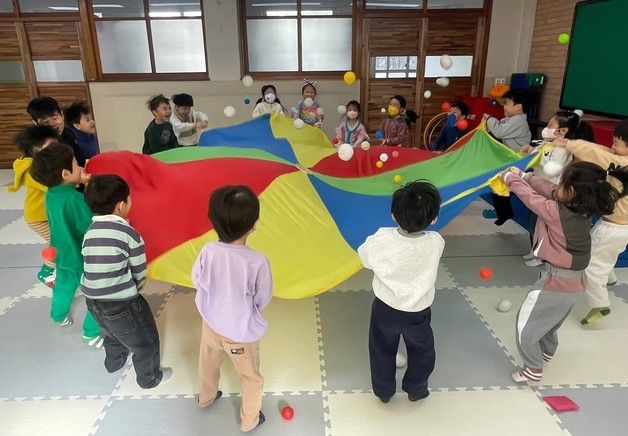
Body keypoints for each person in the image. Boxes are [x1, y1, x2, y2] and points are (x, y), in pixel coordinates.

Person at [500, 162, 628, 383]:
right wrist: (525, 175)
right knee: (550, 320)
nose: (556, 186)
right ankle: (548, 350)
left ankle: (532, 367)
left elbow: (532, 199)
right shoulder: (582, 206)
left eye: (562, 183)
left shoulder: (556, 212)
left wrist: (511, 179)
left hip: (556, 282)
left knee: (525, 324)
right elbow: (548, 189)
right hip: (576, 283)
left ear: (571, 191)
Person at [193, 185, 272, 432]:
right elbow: (263, 297)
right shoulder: (257, 261)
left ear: (213, 221)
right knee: (250, 377)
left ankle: (205, 397)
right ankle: (249, 420)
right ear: (254, 225)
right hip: (239, 333)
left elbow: (197, 279)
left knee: (207, 362)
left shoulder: (207, 250)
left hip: (211, 323)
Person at [81, 175, 172, 388]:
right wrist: (136, 288)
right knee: (146, 342)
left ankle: (113, 363)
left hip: (92, 301)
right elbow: (139, 270)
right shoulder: (129, 234)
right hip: (122, 303)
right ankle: (150, 378)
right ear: (121, 205)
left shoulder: (90, 232)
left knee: (112, 332)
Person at [357, 180, 444, 403]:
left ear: (393, 215)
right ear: (434, 219)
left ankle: (384, 392)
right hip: (418, 312)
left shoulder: (382, 238)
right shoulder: (436, 242)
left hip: (385, 309)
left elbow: (365, 258)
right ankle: (416, 388)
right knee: (423, 351)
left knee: (380, 350)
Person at [553, 118, 628, 324]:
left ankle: (599, 304)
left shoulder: (620, 165)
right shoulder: (622, 158)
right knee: (608, 254)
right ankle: (610, 278)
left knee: (592, 264)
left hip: (612, 227)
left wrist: (567, 144)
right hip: (623, 228)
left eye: (617, 142)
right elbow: (603, 149)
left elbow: (596, 154)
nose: (612, 146)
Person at [30, 143, 101, 346]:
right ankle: (91, 331)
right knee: (95, 294)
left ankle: (58, 315)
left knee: (63, 286)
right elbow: (91, 223)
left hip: (58, 253)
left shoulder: (51, 194)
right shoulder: (74, 199)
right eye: (77, 165)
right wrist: (89, 190)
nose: (80, 168)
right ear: (65, 174)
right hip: (79, 256)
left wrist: (80, 184)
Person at [521, 110, 594, 267]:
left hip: (550, 193)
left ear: (563, 131)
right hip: (539, 188)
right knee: (533, 223)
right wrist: (529, 151)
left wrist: (539, 159)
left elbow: (552, 167)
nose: (546, 128)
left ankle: (541, 256)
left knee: (542, 226)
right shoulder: (547, 144)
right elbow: (538, 156)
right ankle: (535, 250)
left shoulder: (562, 150)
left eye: (550, 125)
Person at [7, 125, 57, 286]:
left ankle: (59, 265)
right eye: (51, 147)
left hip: (49, 214)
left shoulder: (45, 163)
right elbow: (51, 187)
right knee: (60, 243)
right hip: (38, 218)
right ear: (35, 150)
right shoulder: (32, 171)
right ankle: (46, 272)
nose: (56, 151)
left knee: (62, 241)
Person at [482, 90, 532, 225]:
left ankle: (504, 213)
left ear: (518, 107)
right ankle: (503, 213)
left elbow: (499, 131)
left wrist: (489, 119)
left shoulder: (519, 121)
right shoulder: (512, 120)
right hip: (512, 161)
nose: (504, 106)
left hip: (520, 163)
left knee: (502, 189)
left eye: (507, 103)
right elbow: (500, 129)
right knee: (500, 189)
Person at [27, 96, 86, 166]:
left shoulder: (70, 133)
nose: (52, 124)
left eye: (55, 118)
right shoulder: (39, 147)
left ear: (62, 115)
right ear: (35, 123)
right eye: (45, 122)